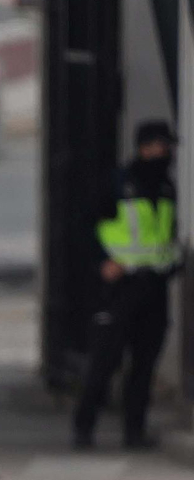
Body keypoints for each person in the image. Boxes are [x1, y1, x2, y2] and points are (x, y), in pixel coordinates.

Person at [73, 120, 180, 450]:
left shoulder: (167, 187)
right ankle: (84, 427)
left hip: (155, 285)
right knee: (105, 361)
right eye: (160, 146)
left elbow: (166, 235)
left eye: (168, 147)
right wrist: (102, 263)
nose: (165, 153)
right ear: (145, 147)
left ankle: (134, 431)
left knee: (144, 364)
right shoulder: (119, 184)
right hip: (121, 287)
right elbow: (85, 225)